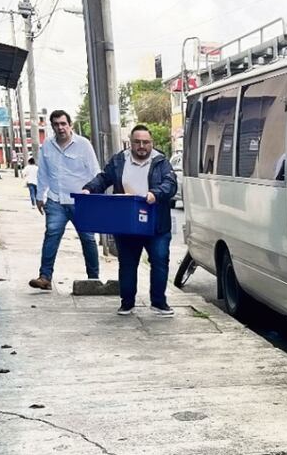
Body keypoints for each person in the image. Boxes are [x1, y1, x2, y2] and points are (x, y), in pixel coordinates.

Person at [82, 124, 178, 317]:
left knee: (160, 261)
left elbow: (171, 184)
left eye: (146, 142)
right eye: (137, 142)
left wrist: (156, 193)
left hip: (156, 222)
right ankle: (127, 303)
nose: (142, 146)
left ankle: (159, 302)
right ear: (131, 143)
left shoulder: (161, 162)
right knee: (127, 263)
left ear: (152, 143)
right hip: (127, 222)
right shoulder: (119, 161)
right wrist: (89, 189)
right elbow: (103, 178)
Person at [29, 110, 102, 290]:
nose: (60, 128)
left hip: (81, 202)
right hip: (56, 201)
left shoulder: (83, 145)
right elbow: (43, 173)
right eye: (56, 124)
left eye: (63, 124)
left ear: (70, 125)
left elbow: (95, 172)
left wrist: (95, 196)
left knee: (88, 239)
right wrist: (39, 197)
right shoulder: (47, 145)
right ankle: (45, 277)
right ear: (52, 126)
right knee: (51, 236)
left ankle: (94, 279)